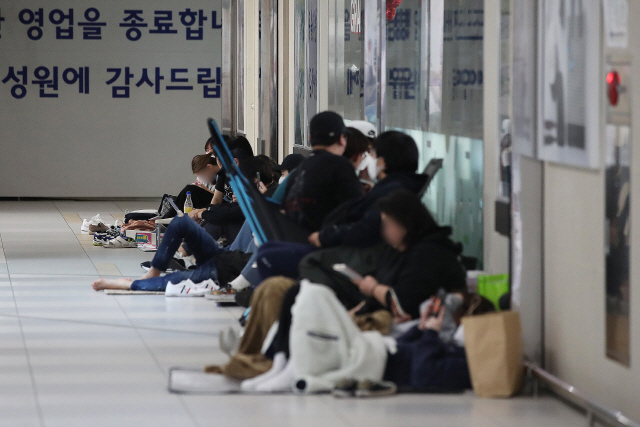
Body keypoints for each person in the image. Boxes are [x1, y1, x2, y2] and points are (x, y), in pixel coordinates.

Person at [282, 111, 363, 232]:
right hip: (322, 245)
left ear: (310, 138)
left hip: (294, 243)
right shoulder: (341, 165)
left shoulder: (299, 169)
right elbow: (356, 211)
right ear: (342, 139)